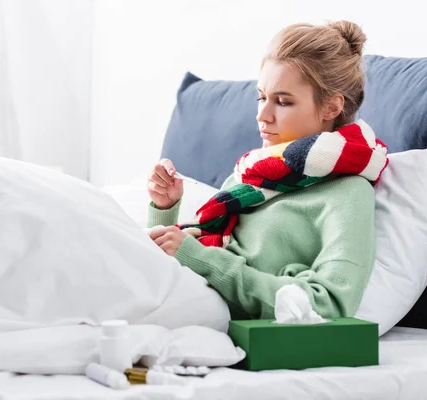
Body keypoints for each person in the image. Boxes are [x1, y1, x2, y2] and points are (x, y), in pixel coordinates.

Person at [145, 20, 389, 320]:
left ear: (331, 108)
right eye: (261, 97)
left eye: (283, 101)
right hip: (180, 291)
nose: (262, 115)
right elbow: (192, 250)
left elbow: (330, 304)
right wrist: (164, 209)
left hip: (207, 308)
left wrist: (200, 259)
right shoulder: (253, 175)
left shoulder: (348, 193)